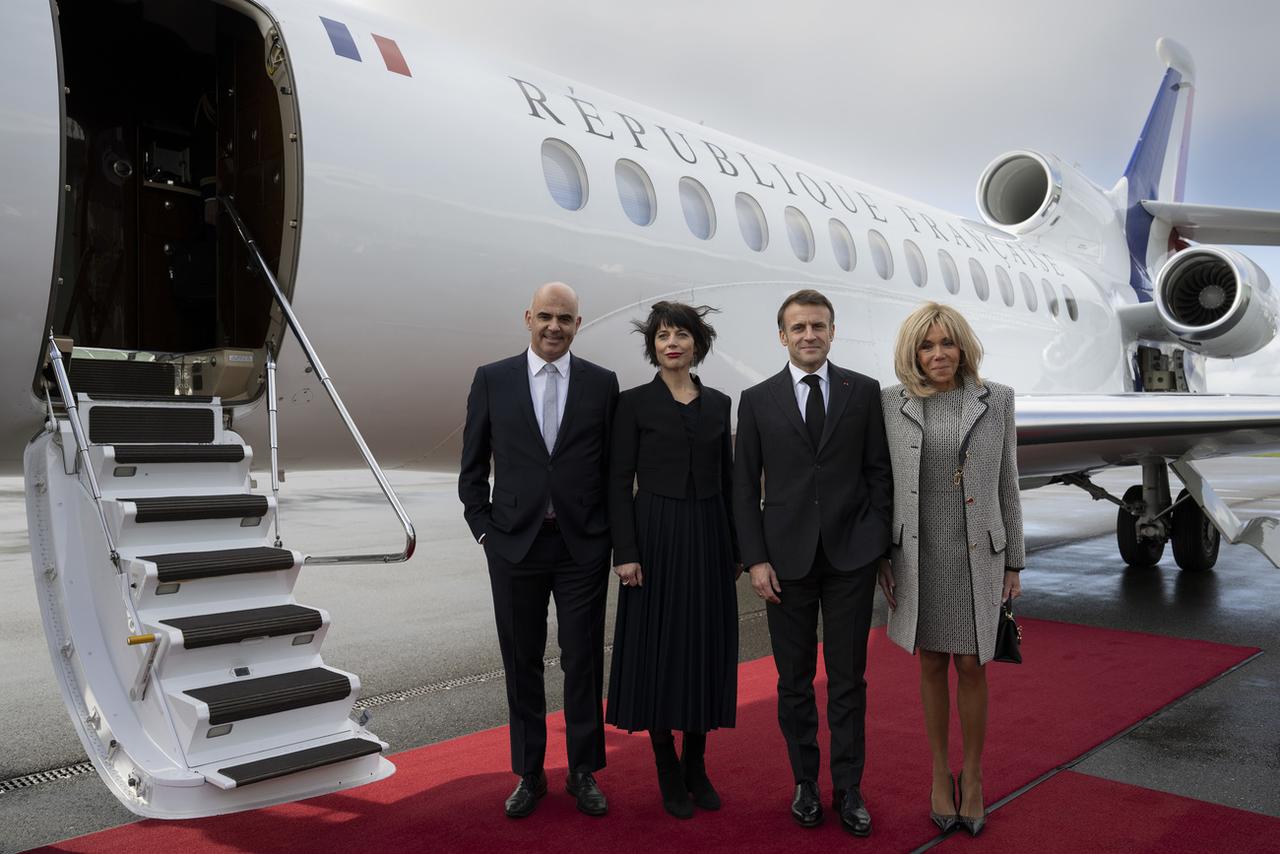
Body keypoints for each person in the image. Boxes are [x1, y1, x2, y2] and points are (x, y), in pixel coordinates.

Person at [733, 289, 892, 836]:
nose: (809, 335)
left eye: (818, 326)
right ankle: (804, 782)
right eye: (798, 327)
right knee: (793, 683)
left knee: (849, 681)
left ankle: (848, 787)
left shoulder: (863, 392)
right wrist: (754, 559)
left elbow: (879, 475)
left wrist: (876, 547)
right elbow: (742, 489)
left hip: (851, 560)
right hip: (785, 563)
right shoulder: (755, 401)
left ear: (832, 331)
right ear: (782, 335)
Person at [459, 282, 620, 818]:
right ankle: (530, 773)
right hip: (514, 548)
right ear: (528, 317)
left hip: (580, 548)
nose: (555, 326)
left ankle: (583, 770)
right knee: (521, 661)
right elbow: (472, 468)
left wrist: (608, 538)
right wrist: (486, 533)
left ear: (579, 324)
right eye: (546, 316)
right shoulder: (493, 379)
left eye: (566, 319)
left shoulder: (601, 384)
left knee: (582, 660)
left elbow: (612, 472)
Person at [877, 301, 1025, 837]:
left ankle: (976, 774)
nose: (937, 354)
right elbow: (882, 485)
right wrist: (879, 557)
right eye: (926, 344)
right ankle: (940, 773)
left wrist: (1014, 560)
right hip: (917, 552)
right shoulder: (890, 404)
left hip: (976, 554)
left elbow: (1008, 481)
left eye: (946, 343)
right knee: (932, 660)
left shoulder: (996, 399)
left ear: (963, 346)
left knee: (971, 664)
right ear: (911, 352)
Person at [606, 301, 740, 819]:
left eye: (681, 334)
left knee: (703, 647)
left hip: (707, 535)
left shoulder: (720, 402)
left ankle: (697, 763)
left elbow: (728, 482)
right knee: (658, 649)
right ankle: (666, 763)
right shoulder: (633, 404)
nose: (672, 343)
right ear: (653, 346)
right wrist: (626, 553)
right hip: (654, 536)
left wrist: (736, 550)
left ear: (697, 344)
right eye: (663, 335)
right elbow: (618, 482)